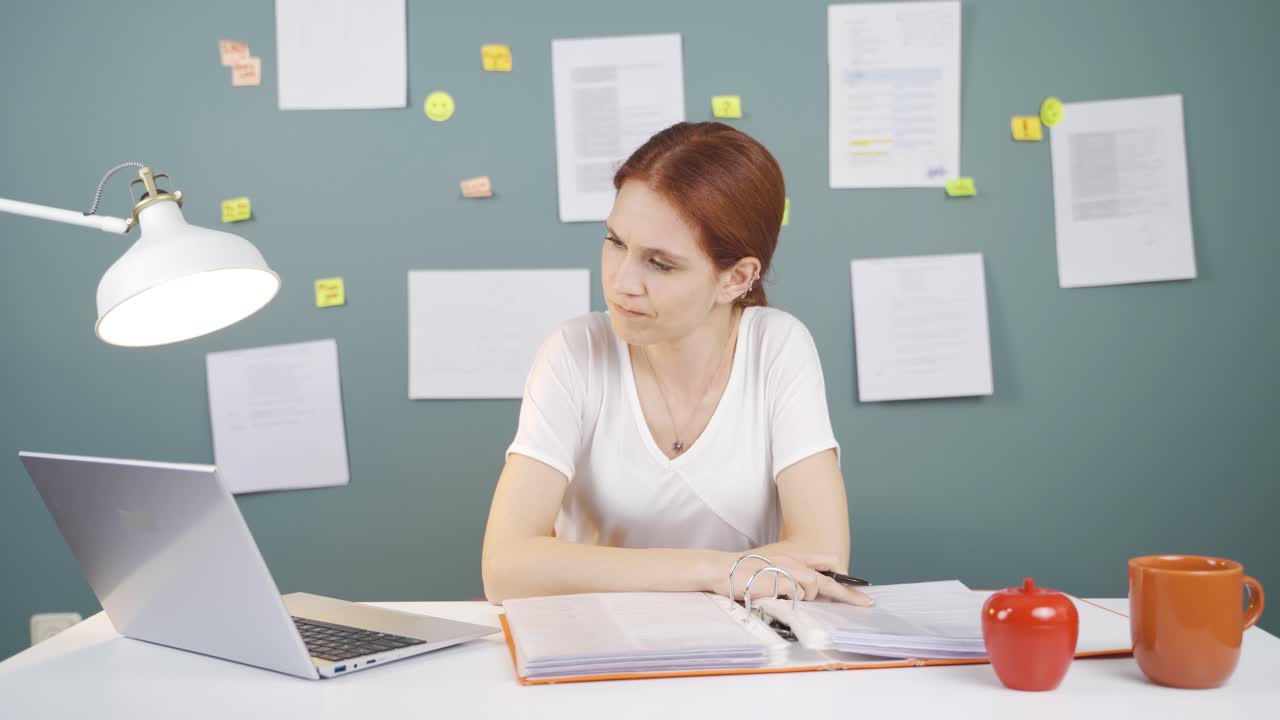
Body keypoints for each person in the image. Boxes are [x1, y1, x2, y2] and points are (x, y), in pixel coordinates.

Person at [481, 121, 869, 607]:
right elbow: (504, 568)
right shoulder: (574, 352)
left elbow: (823, 556)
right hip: (590, 653)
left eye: (660, 264)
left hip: (741, 657)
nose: (623, 282)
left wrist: (702, 573)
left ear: (735, 278)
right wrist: (715, 569)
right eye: (616, 242)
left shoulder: (777, 347)